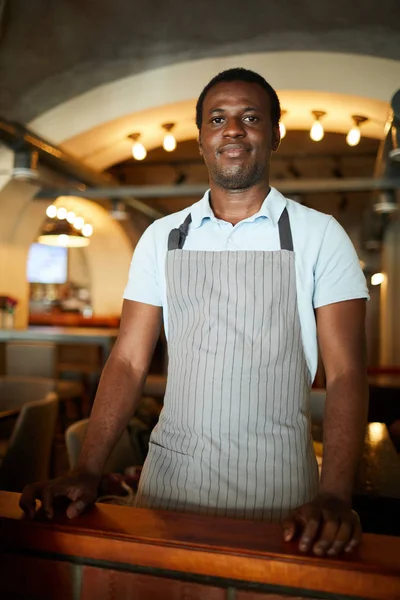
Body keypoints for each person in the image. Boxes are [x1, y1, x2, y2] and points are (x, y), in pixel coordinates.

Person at [20, 68, 369, 558]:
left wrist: (334, 494)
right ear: (202, 137)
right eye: (217, 118)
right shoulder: (162, 237)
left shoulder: (320, 234)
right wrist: (87, 469)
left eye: (250, 117)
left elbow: (348, 373)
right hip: (169, 487)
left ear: (275, 134)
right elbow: (127, 360)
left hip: (280, 494)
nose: (233, 129)